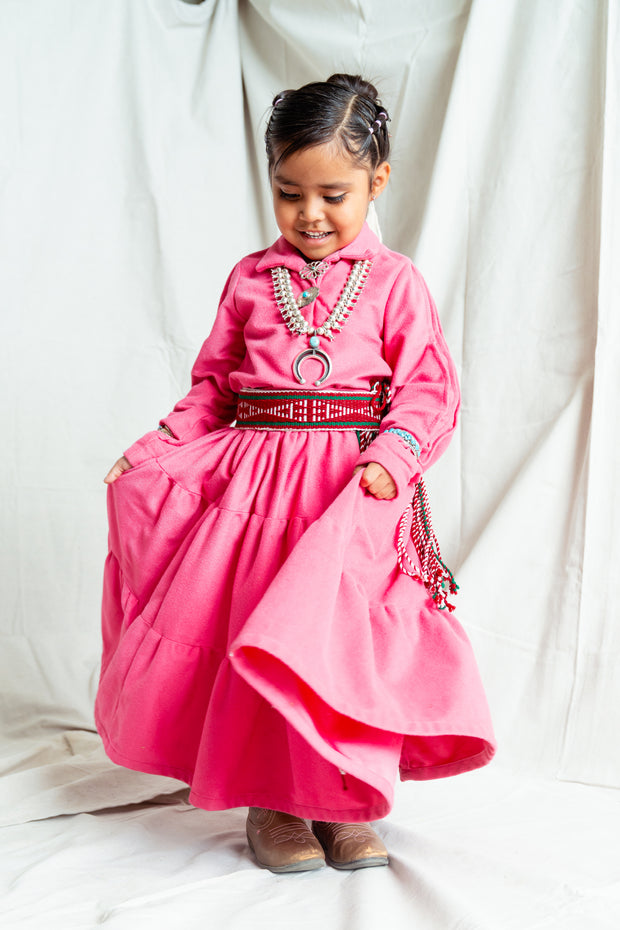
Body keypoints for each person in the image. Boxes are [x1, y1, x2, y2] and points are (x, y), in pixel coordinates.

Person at [97, 74, 495, 874]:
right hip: (253, 494)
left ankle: (343, 798)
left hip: (349, 497)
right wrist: (152, 450)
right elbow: (212, 387)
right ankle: (273, 803)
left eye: (334, 195)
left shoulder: (396, 284)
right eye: (289, 193)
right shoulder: (250, 279)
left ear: (377, 181)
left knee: (338, 644)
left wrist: (391, 457)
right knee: (259, 634)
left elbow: (429, 390)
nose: (311, 214)